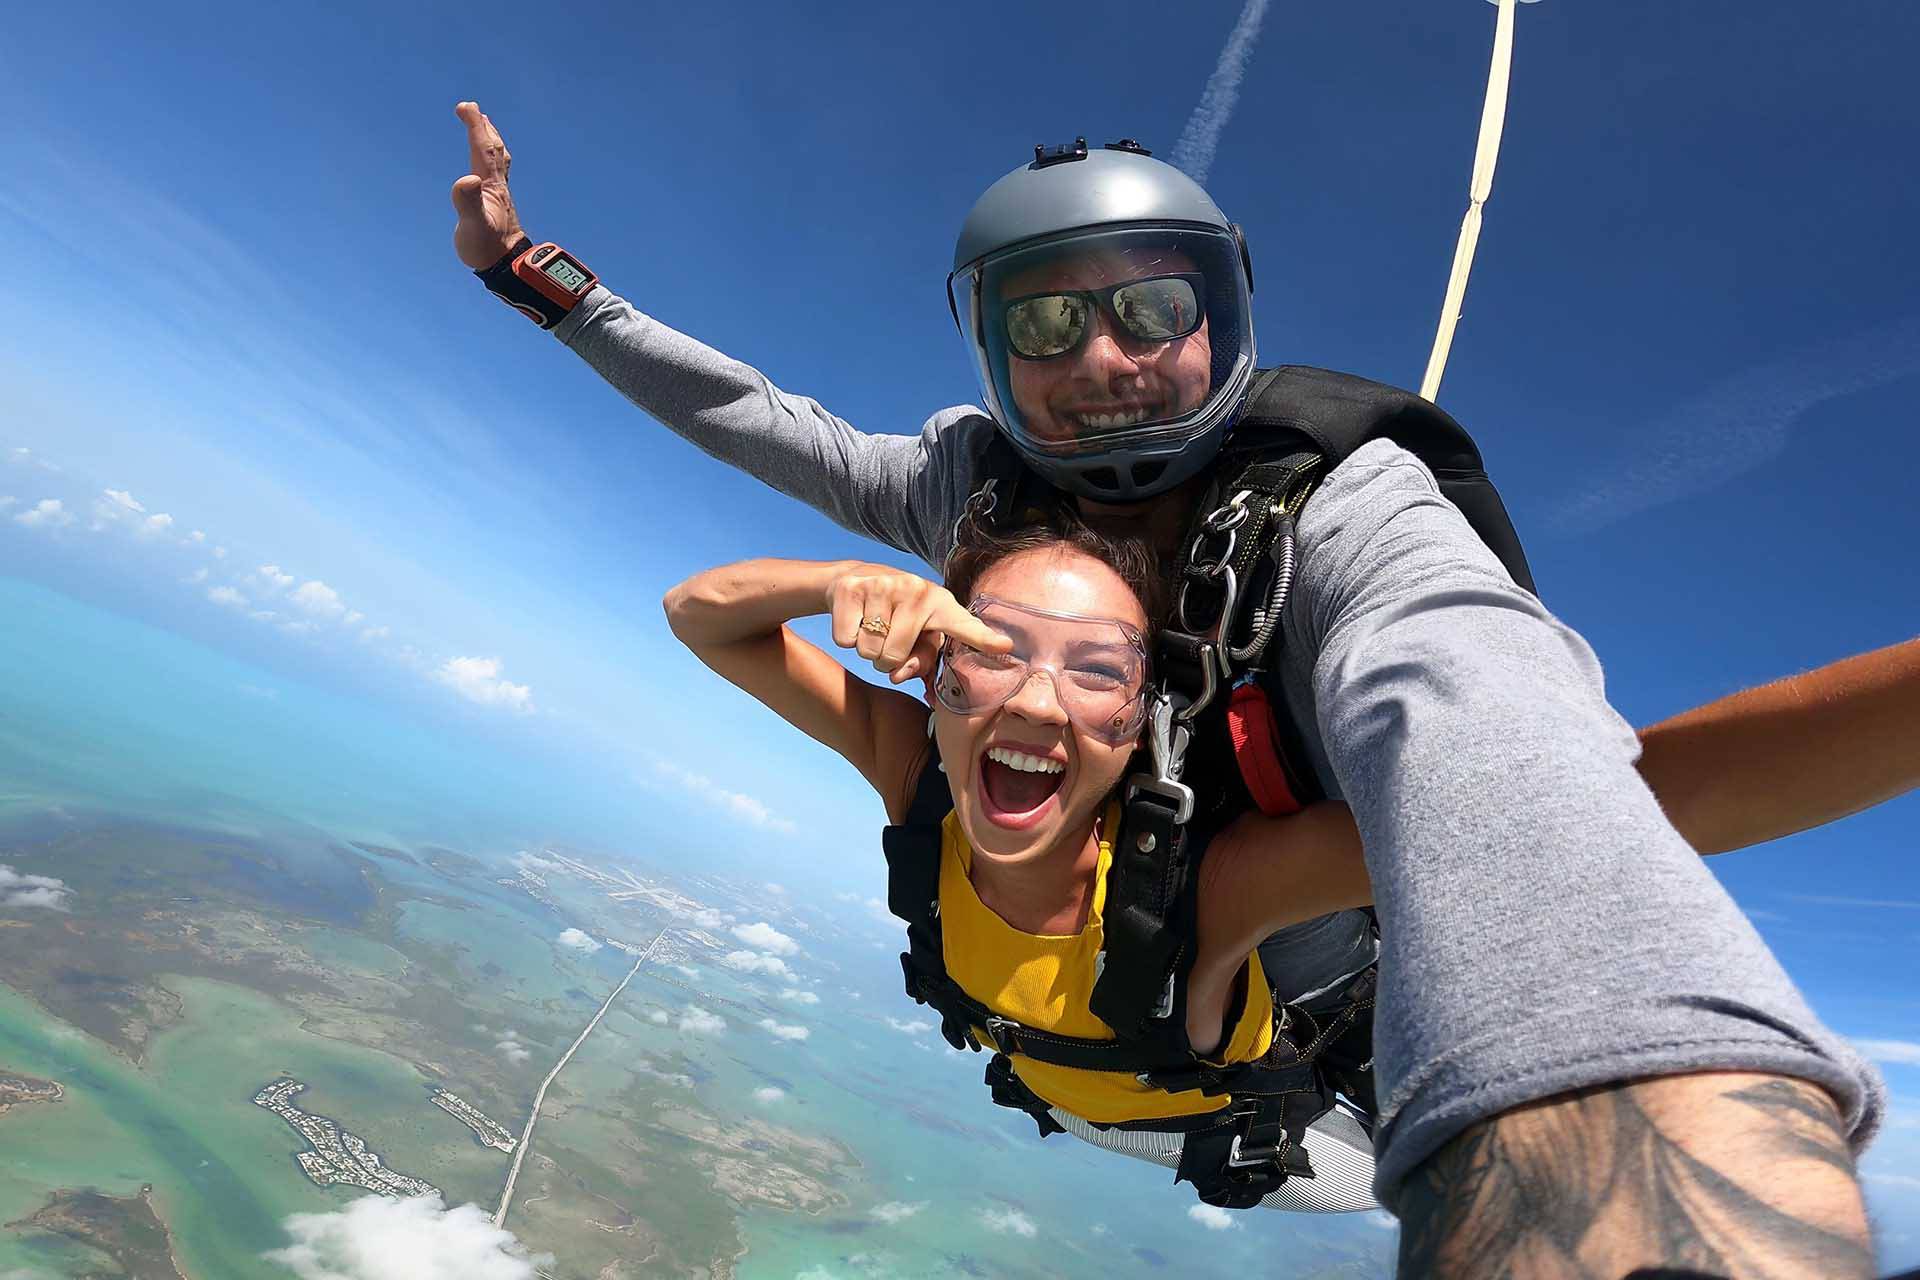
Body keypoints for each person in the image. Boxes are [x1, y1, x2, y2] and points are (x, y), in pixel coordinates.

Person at [452, 103, 1888, 1272]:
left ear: (1222, 305)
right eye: (1045, 325)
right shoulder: (966, 485)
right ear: (990, 350)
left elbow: (1485, 714)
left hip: (1278, 1025)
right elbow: (760, 427)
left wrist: (1597, 1088)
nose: (1108, 359)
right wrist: (541, 281)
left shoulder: (1342, 508)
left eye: (1152, 303)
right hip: (1089, 1037)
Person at [665, 510, 1920, 1217]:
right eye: (989, 648)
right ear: (933, 673)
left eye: (1097, 667)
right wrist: (844, 578)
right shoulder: (920, 776)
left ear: (1137, 719)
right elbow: (701, 610)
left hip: (1279, 1145)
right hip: (1070, 1095)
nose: (1039, 704)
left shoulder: (1207, 885)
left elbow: (1603, 800)